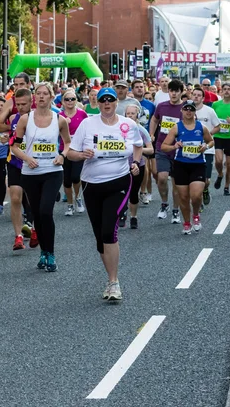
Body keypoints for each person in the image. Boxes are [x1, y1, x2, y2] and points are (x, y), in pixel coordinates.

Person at [67, 87, 143, 301]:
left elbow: (138, 146)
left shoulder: (127, 125)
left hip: (119, 181)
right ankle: (110, 279)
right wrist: (82, 154)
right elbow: (70, 153)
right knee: (100, 236)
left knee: (110, 231)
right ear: (98, 103)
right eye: (103, 100)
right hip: (91, 184)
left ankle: (113, 282)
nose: (107, 103)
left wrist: (135, 163)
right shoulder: (87, 124)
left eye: (110, 100)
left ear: (116, 102)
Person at [11, 83, 71, 272]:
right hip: (30, 173)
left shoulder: (59, 120)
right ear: (34, 97)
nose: (42, 97)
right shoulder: (24, 119)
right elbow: (14, 146)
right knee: (37, 214)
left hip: (52, 171)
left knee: (46, 211)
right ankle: (43, 252)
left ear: (52, 97)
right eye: (39, 94)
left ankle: (50, 253)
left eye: (46, 94)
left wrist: (62, 155)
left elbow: (68, 143)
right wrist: (27, 158)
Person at [161, 100, 214, 234]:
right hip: (181, 165)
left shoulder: (201, 127)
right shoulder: (176, 127)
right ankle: (186, 223)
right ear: (182, 111)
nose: (189, 111)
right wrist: (174, 146)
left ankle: (196, 215)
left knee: (195, 196)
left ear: (195, 111)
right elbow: (163, 146)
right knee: (183, 197)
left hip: (198, 165)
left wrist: (206, 146)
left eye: (191, 109)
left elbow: (211, 140)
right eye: (186, 109)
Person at [150, 79, 184, 223]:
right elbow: (154, 120)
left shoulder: (186, 108)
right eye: (171, 90)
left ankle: (176, 211)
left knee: (176, 183)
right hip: (162, 146)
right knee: (162, 177)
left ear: (181, 92)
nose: (173, 93)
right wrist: (151, 134)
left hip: (178, 150)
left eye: (176, 91)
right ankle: (164, 204)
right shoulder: (161, 106)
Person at [7, 88, 37, 250]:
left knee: (33, 200)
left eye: (23, 104)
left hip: (33, 164)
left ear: (31, 102)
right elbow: (12, 138)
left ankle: (34, 229)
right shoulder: (13, 118)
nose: (20, 107)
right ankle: (18, 236)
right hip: (15, 163)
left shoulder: (37, 119)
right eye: (17, 104)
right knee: (15, 198)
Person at [123, 104, 154, 229]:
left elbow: (151, 150)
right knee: (122, 191)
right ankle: (122, 212)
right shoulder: (120, 128)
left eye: (133, 113)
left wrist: (139, 150)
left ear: (138, 115)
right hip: (122, 165)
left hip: (137, 165)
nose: (130, 116)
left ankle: (133, 216)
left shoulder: (141, 130)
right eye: (128, 113)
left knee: (133, 192)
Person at [58, 88, 88, 216]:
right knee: (66, 180)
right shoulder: (59, 116)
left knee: (76, 177)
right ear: (63, 102)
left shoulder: (82, 114)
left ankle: (78, 198)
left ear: (76, 101)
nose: (70, 101)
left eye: (72, 99)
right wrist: (63, 125)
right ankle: (70, 205)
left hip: (78, 149)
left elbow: (88, 129)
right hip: (63, 149)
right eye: (67, 99)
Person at [192, 86, 220, 206]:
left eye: (199, 95)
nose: (196, 97)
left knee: (206, 180)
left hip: (207, 148)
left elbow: (218, 126)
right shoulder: (187, 110)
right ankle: (197, 201)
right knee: (193, 179)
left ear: (203, 98)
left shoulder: (209, 111)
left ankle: (205, 190)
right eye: (194, 94)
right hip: (191, 149)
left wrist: (208, 135)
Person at [131, 79, 156, 204]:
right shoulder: (128, 103)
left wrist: (151, 134)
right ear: (132, 89)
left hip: (144, 138)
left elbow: (154, 121)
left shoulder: (150, 105)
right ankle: (132, 190)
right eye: (137, 87)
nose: (140, 89)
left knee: (145, 165)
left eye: (141, 86)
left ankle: (143, 191)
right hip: (129, 138)